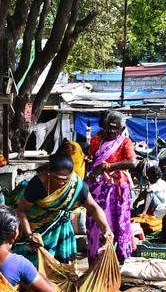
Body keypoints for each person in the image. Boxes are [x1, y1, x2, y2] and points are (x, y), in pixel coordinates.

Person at [16, 152, 112, 263]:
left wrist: (106, 228)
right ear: (49, 172)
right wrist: (30, 236)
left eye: (65, 179)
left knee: (62, 268)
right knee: (32, 262)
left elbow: (93, 208)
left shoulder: (77, 186)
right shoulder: (38, 184)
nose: (61, 183)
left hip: (62, 230)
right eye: (57, 178)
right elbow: (21, 211)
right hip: (36, 230)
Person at [86, 110, 136, 262]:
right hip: (97, 188)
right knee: (96, 223)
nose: (111, 130)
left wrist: (108, 167)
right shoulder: (96, 140)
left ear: (122, 129)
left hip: (117, 189)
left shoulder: (125, 142)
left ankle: (118, 258)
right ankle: (96, 258)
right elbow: (92, 159)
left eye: (115, 128)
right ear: (104, 125)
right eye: (109, 126)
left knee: (118, 223)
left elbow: (132, 162)